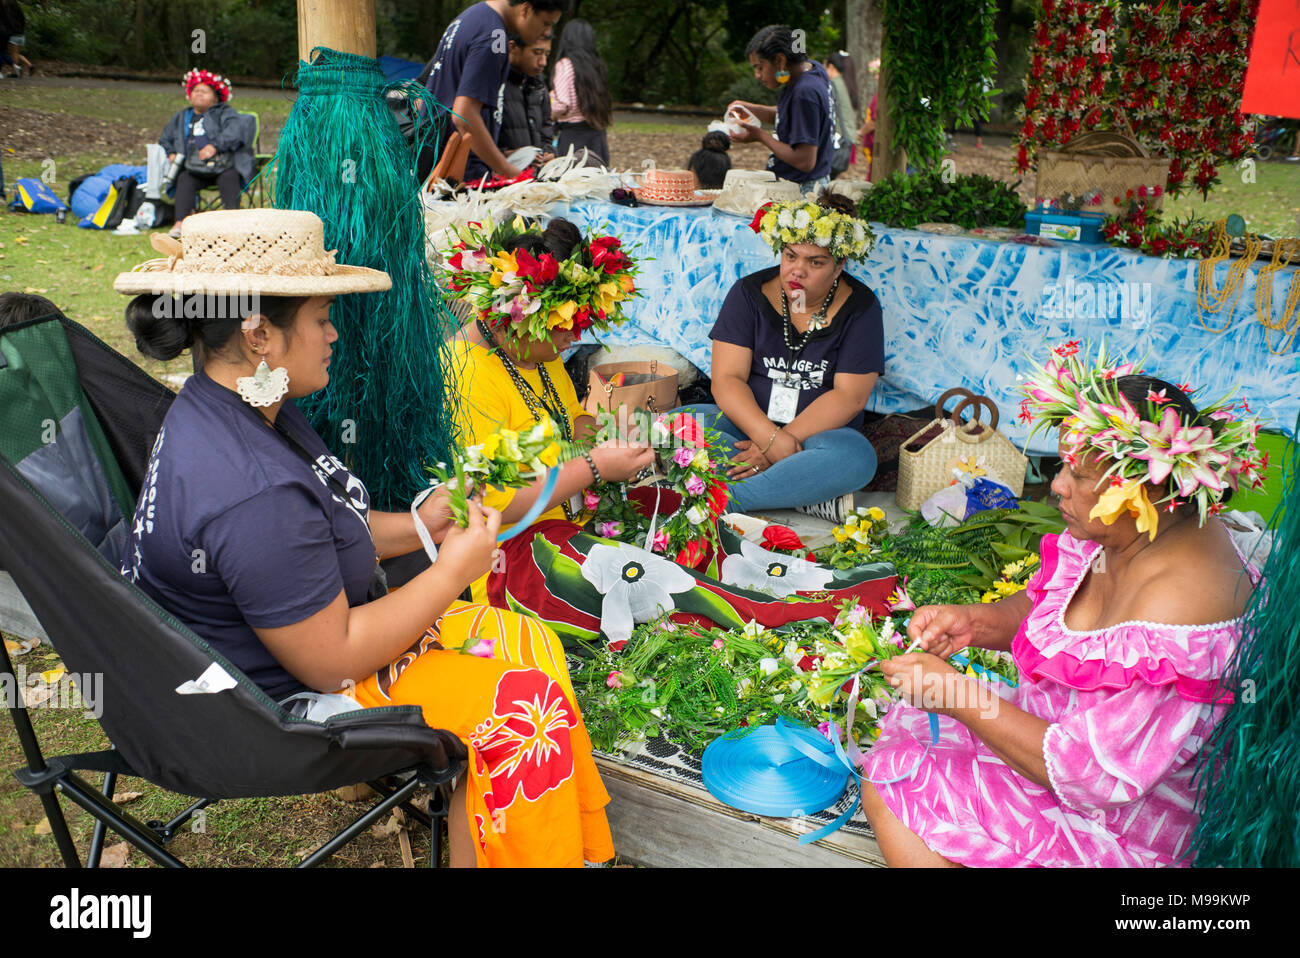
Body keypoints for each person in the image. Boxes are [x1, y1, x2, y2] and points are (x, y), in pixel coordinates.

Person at [113, 209, 615, 868]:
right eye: (322, 316)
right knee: (523, 710)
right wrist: (448, 570)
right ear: (260, 333)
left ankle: (536, 848)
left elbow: (323, 536)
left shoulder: (238, 406)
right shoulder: (251, 490)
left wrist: (421, 526)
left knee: (530, 638)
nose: (333, 333)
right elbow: (331, 659)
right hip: (280, 705)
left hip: (299, 639)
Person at [861, 343, 1267, 867]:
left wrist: (958, 696)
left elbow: (1093, 774)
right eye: (1062, 467)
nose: (1055, 487)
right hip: (1050, 746)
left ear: (1149, 487)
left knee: (898, 787)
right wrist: (975, 624)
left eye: (1077, 475)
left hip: (1123, 825)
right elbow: (1049, 609)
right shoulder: (1122, 534)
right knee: (898, 761)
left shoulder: (1180, 612)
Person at [440, 216, 655, 601]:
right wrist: (595, 467)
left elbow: (573, 418)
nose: (574, 337)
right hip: (508, 553)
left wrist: (605, 438)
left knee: (673, 516)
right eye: (565, 325)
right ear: (518, 316)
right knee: (653, 587)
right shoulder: (468, 373)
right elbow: (492, 504)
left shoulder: (536, 348)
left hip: (572, 519)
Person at [679, 192, 881, 522]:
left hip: (818, 440)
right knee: (677, 425)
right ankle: (804, 493)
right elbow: (728, 380)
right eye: (791, 256)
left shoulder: (861, 308)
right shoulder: (748, 294)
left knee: (857, 457)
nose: (796, 272)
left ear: (839, 265)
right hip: (746, 427)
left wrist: (778, 447)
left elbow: (850, 397)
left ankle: (732, 498)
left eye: (815, 262)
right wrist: (769, 440)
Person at [418, 0, 567, 184]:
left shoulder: (472, 18)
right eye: (546, 23)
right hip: (457, 172)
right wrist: (508, 171)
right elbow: (464, 114)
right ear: (526, 9)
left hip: (434, 158)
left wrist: (500, 154)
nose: (547, 32)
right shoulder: (494, 36)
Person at [727, 24, 838, 194]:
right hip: (804, 183)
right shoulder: (812, 71)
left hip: (802, 192)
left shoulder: (804, 92)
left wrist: (760, 136)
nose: (757, 75)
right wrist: (752, 109)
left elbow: (805, 161)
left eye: (760, 67)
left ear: (780, 60)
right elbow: (796, 116)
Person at [157, 69, 254, 238]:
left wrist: (215, 146)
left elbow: (235, 133)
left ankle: (232, 224)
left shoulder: (225, 113)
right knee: (185, 178)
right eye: (195, 90)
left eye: (204, 91)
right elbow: (166, 138)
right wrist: (171, 153)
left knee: (230, 177)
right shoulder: (182, 117)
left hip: (223, 165)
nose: (198, 94)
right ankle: (180, 224)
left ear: (216, 97)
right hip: (194, 167)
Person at [550, 19, 612, 167]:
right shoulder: (597, 65)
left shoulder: (565, 64)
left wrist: (549, 102)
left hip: (573, 137)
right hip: (597, 136)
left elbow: (562, 104)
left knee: (573, 184)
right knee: (597, 182)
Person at [499, 31, 556, 164]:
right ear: (513, 48)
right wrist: (505, 156)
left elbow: (546, 130)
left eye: (547, 54)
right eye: (537, 53)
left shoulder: (538, 86)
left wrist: (548, 153)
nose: (543, 62)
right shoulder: (495, 85)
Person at [825, 51, 859, 179]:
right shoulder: (847, 84)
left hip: (836, 142)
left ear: (832, 67)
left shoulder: (833, 85)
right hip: (847, 142)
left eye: (826, 66)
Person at [0, 0, 31, 77]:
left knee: (12, 54)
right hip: (20, 34)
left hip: (12, 34)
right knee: (8, 53)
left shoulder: (7, 11)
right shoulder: (17, 12)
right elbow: (23, 20)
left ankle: (16, 71)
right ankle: (26, 66)